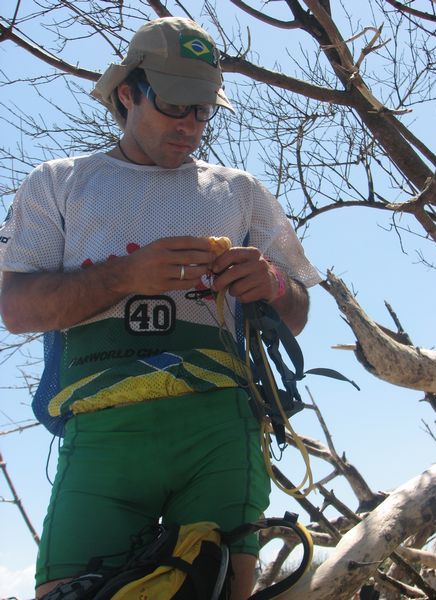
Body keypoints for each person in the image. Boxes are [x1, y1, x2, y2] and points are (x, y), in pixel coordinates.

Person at [0, 16, 321, 600]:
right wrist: (126, 275)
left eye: (204, 110)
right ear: (128, 93)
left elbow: (297, 313)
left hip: (220, 424)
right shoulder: (59, 184)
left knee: (220, 588)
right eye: (175, 106)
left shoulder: (239, 191)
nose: (191, 126)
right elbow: (17, 309)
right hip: (102, 430)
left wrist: (270, 282)